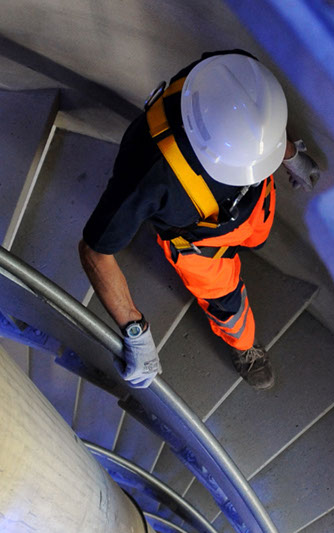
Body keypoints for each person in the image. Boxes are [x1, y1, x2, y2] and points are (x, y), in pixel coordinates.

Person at [78, 50, 319, 391]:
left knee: (258, 236)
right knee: (225, 301)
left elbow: (261, 124)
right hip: (198, 245)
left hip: (251, 204)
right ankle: (244, 346)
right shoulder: (146, 173)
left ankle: (250, 241)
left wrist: (291, 154)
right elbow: (94, 251)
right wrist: (136, 331)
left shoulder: (231, 75)